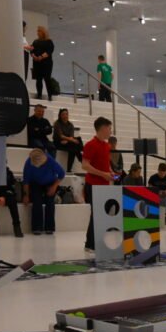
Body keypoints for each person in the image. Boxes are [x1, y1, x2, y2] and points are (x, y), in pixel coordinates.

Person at [82, 116, 115, 251]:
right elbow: (85, 165)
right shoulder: (90, 145)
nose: (111, 131)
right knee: (96, 214)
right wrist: (103, 174)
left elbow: (105, 163)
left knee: (101, 214)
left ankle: (96, 242)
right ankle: (90, 244)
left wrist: (110, 172)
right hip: (93, 185)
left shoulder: (106, 146)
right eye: (109, 128)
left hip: (104, 185)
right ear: (103, 128)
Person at [23, 149, 65, 235]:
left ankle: (50, 227)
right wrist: (26, 195)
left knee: (50, 202)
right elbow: (26, 181)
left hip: (50, 182)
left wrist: (54, 187)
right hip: (35, 183)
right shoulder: (28, 163)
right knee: (36, 202)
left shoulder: (51, 161)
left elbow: (62, 174)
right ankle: (37, 227)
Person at [52, 108, 83, 172]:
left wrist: (68, 140)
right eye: (63, 114)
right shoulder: (57, 123)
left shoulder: (70, 124)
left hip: (68, 142)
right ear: (60, 115)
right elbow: (61, 136)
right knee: (75, 145)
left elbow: (71, 136)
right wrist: (71, 140)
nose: (65, 116)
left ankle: (69, 170)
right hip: (59, 142)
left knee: (76, 143)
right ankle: (81, 157)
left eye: (66, 114)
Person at [30, 25, 54, 101]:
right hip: (37, 63)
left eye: (39, 31)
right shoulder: (35, 41)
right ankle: (39, 95)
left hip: (46, 63)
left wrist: (41, 57)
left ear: (43, 32)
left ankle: (50, 95)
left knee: (47, 79)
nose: (37, 33)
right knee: (38, 79)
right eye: (37, 31)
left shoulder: (49, 41)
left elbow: (49, 51)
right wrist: (34, 56)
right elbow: (31, 50)